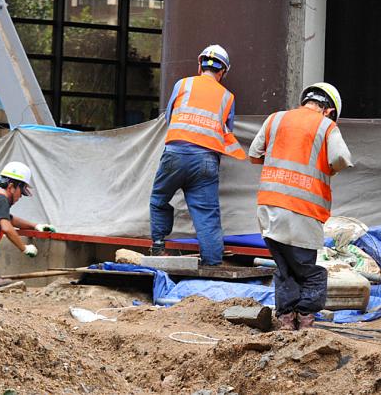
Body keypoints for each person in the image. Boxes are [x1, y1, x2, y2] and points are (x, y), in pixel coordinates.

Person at [249, 82, 354, 330]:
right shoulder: (326, 126)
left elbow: (255, 153)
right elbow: (341, 158)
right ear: (329, 110)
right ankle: (305, 318)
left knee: (285, 268)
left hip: (269, 207)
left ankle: (286, 320)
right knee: (311, 272)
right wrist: (327, 169)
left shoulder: (275, 119)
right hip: (302, 211)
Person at [149, 45, 247, 266]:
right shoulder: (227, 97)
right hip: (205, 161)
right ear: (223, 72)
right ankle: (212, 263)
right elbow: (226, 131)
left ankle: (158, 246)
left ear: (200, 65)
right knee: (207, 215)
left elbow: (169, 118)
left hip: (175, 155)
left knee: (159, 200)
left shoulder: (182, 84)